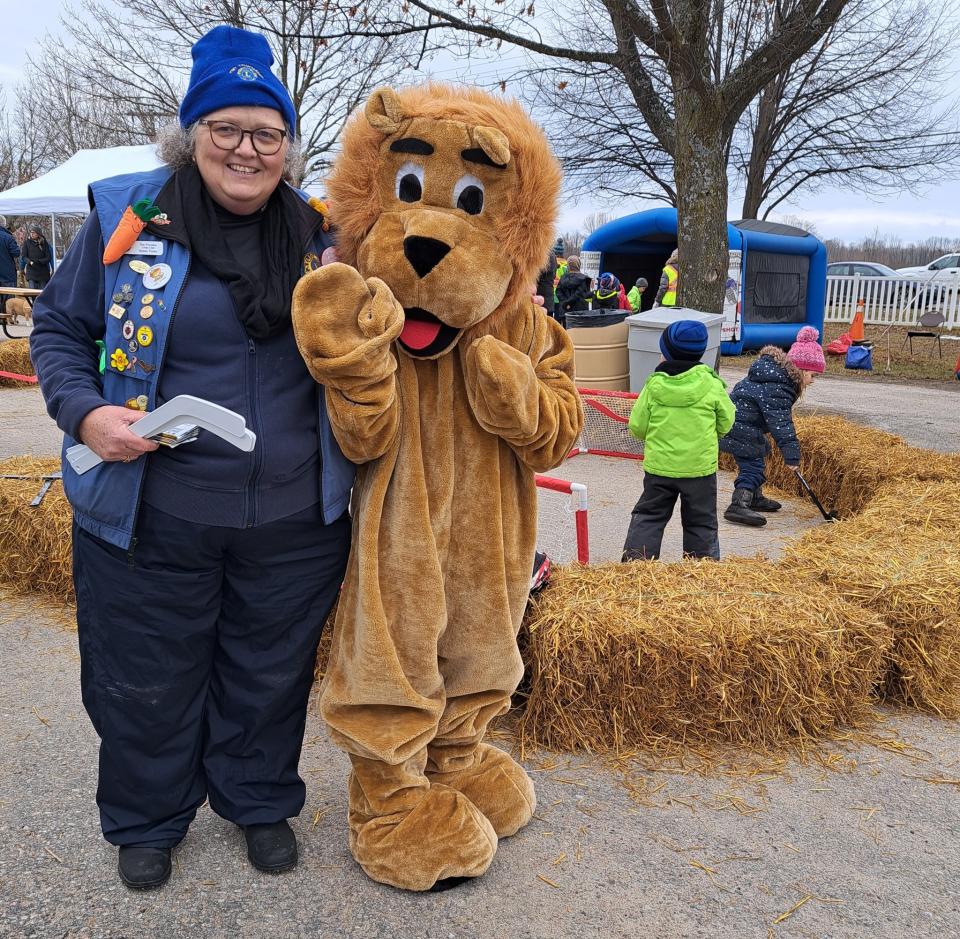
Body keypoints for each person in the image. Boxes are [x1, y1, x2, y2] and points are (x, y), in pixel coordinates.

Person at [29, 24, 353, 891]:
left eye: (267, 133)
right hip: (153, 510)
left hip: (292, 518)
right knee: (146, 674)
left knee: (270, 670)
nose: (247, 150)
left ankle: (256, 800)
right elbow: (59, 329)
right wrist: (86, 413)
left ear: (287, 144)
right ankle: (147, 816)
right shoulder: (124, 216)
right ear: (192, 134)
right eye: (227, 130)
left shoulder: (326, 235)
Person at [621, 320, 734, 561]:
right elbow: (727, 421)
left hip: (660, 468)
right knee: (701, 522)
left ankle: (635, 568)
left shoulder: (654, 386)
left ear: (666, 352)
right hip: (699, 470)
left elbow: (637, 426)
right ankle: (702, 571)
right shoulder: (712, 385)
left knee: (649, 516)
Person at [720, 326, 825, 526]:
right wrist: (792, 456)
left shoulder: (773, 376)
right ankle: (738, 504)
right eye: (813, 375)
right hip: (741, 427)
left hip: (740, 424)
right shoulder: (779, 386)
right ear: (801, 369)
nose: (812, 381)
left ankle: (754, 497)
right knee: (752, 466)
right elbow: (782, 424)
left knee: (758, 455)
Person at [555, 255, 593, 324]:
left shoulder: (563, 278)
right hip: (579, 312)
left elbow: (558, 292)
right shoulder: (584, 279)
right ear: (578, 265)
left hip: (565, 310)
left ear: (568, 265)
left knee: (566, 332)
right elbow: (579, 293)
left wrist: (565, 303)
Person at [0, 215, 21, 317]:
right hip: (7, 273)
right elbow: (16, 253)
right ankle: (7, 318)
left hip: (5, 273)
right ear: (3, 224)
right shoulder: (8, 237)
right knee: (8, 299)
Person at [535, 249, 557, 320]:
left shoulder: (542, 253)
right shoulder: (553, 255)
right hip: (549, 297)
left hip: (539, 297)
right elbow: (554, 275)